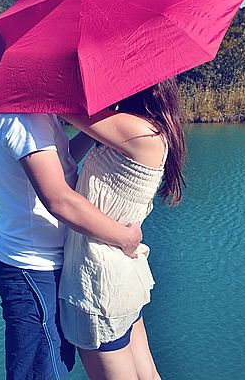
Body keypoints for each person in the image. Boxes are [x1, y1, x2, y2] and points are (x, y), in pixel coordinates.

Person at [0, 112, 142, 380]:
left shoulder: (38, 115)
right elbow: (58, 199)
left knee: (51, 364)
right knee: (39, 372)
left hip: (49, 263)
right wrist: (123, 237)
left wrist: (98, 134)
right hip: (33, 268)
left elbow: (58, 159)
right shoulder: (21, 118)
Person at [58, 77, 186, 380]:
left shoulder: (138, 131)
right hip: (123, 276)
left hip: (99, 283)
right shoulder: (151, 131)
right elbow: (71, 155)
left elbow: (60, 105)